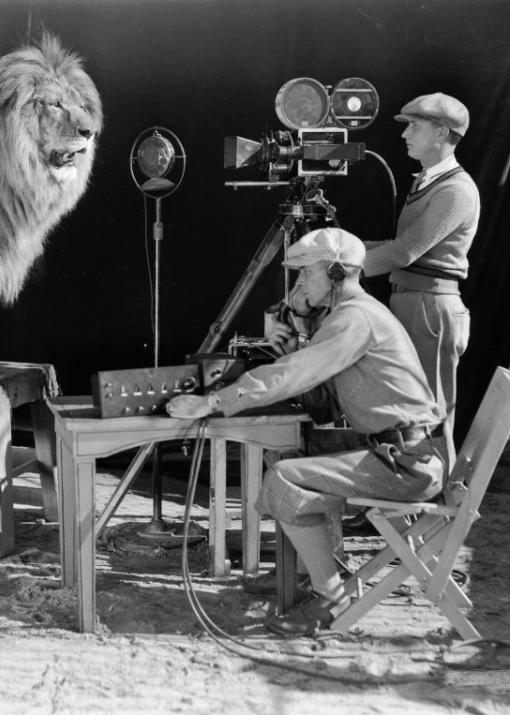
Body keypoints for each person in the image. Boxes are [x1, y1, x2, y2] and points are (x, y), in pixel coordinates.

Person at [166, 227, 447, 637]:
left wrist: (213, 402)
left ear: (335, 275)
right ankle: (298, 571)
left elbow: (294, 376)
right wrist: (298, 341)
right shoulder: (347, 317)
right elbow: (325, 408)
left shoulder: (355, 318)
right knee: (290, 453)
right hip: (402, 452)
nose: (298, 288)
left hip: (406, 465)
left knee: (285, 479)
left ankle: (331, 596)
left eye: (305, 277)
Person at [362, 92, 480, 453]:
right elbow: (402, 244)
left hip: (431, 308)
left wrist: (344, 267)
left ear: (442, 133)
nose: (404, 134)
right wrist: (346, 246)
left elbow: (406, 250)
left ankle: (438, 501)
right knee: (410, 410)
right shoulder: (427, 181)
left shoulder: (456, 190)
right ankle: (410, 501)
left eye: (415, 126)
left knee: (431, 410)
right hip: (413, 303)